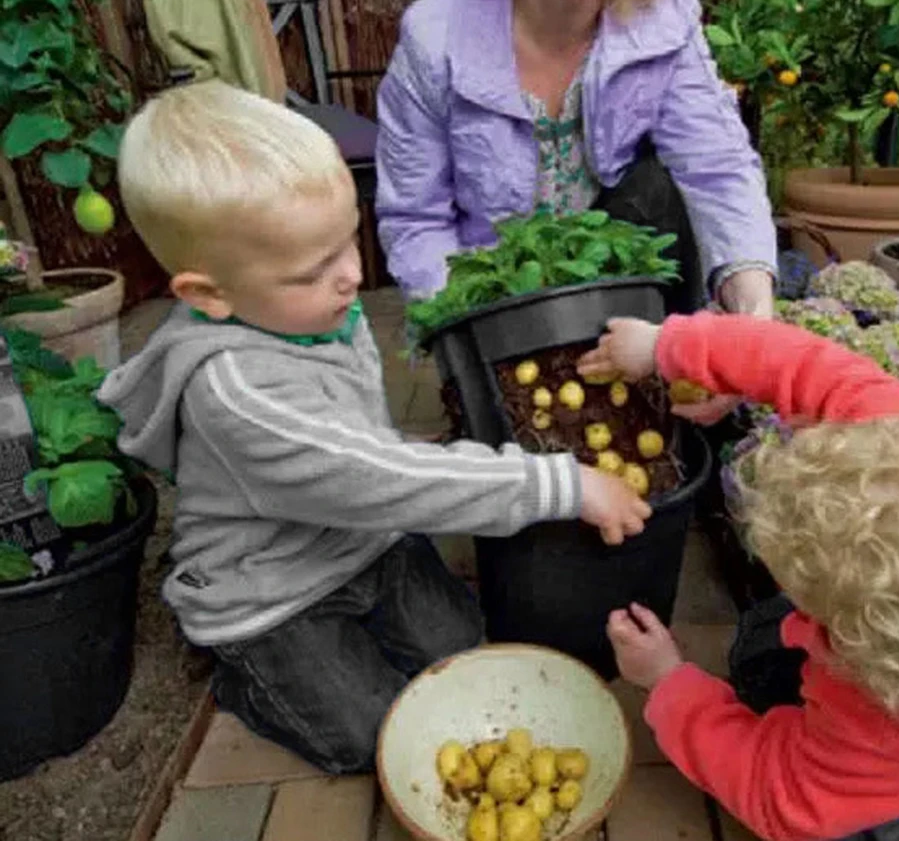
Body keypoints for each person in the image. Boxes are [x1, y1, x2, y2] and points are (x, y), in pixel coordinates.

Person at [97, 79, 651, 774]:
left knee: (460, 643)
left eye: (346, 243)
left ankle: (348, 645)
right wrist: (556, 482)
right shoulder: (235, 394)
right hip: (271, 594)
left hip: (360, 540)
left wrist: (406, 453)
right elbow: (372, 478)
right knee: (367, 735)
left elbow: (360, 451)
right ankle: (244, 672)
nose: (352, 276)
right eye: (313, 269)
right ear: (210, 294)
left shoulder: (321, 313)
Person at [375, 0, 776, 423]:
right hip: (499, 298)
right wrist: (481, 342)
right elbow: (417, 222)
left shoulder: (662, 15)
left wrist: (751, 323)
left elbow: (717, 168)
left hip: (614, 289)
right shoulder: (435, 39)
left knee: (664, 189)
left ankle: (677, 405)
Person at [578, 313, 899, 841]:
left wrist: (668, 684)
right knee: (766, 640)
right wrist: (669, 346)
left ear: (866, 646)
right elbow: (809, 366)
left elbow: (778, 795)